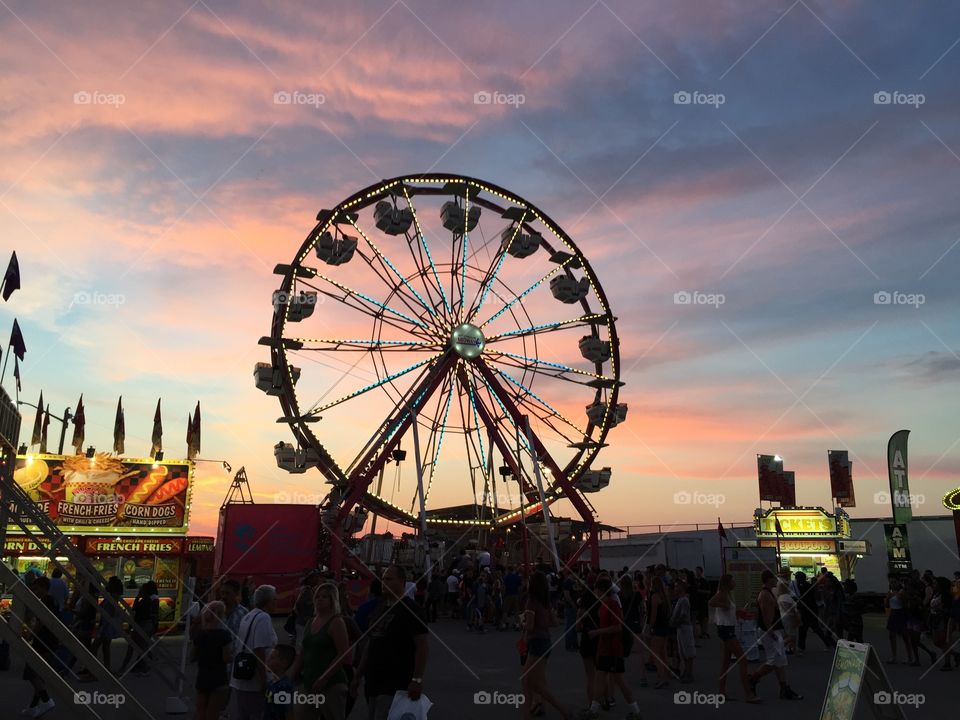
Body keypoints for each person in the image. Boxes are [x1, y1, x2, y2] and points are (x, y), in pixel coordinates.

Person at [351, 565, 428, 720]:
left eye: (389, 579)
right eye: (383, 579)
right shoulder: (379, 609)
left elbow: (422, 646)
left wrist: (417, 680)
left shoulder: (411, 609)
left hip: (395, 684)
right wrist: (357, 676)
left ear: (402, 581)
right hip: (373, 683)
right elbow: (370, 645)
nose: (383, 582)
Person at [290, 581, 351, 719]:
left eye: (325, 596)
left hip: (332, 684)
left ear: (332, 600)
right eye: (317, 596)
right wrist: (291, 674)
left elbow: (343, 653)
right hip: (309, 682)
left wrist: (325, 677)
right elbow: (303, 652)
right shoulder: (310, 622)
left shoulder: (336, 622)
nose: (320, 599)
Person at [584, 575, 640, 720]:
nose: (595, 592)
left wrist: (597, 632)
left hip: (613, 649)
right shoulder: (604, 605)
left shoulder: (612, 604)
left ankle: (636, 711)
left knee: (619, 680)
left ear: (601, 590)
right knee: (600, 678)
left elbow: (617, 627)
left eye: (596, 589)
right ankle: (593, 710)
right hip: (605, 648)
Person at [518, 571, 571, 720]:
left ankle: (563, 709)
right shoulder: (545, 601)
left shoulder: (531, 601)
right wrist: (542, 622)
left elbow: (529, 626)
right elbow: (554, 622)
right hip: (546, 641)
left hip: (536, 642)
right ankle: (529, 712)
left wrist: (521, 622)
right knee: (532, 681)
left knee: (532, 682)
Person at [747, 570, 802, 700]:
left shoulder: (769, 592)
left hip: (772, 630)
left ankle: (784, 688)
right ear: (768, 579)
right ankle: (753, 679)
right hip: (770, 631)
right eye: (774, 578)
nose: (777, 581)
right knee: (774, 659)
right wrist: (771, 632)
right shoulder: (765, 594)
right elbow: (767, 616)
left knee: (780, 660)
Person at [229, 584, 278, 720]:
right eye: (275, 600)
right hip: (254, 679)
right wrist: (264, 680)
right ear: (268, 601)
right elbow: (259, 649)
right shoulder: (264, 618)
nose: (277, 603)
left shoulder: (249, 615)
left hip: (241, 676)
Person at [708, 574, 758, 703]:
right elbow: (711, 602)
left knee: (726, 662)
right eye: (733, 581)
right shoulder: (723, 594)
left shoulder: (727, 594)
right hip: (726, 630)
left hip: (727, 629)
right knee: (743, 660)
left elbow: (727, 610)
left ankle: (722, 691)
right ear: (727, 583)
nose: (735, 583)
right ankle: (748, 694)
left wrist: (738, 612)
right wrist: (723, 605)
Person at [20, 575, 58, 717]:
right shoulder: (52, 600)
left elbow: (42, 622)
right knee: (39, 675)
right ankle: (33, 707)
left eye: (36, 589)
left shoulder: (46, 601)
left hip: (44, 641)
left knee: (31, 672)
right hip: (50, 641)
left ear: (43, 588)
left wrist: (30, 634)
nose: (34, 592)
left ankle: (47, 700)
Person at [194, 600, 233, 720]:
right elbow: (226, 658)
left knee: (201, 711)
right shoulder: (224, 635)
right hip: (219, 676)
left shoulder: (199, 634)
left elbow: (193, 656)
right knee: (213, 711)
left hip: (202, 675)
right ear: (221, 615)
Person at [121, 580, 160, 676]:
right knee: (142, 647)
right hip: (144, 625)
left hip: (143, 625)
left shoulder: (148, 600)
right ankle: (139, 666)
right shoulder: (148, 599)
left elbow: (136, 612)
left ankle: (138, 666)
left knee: (138, 647)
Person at [89, 576, 124, 674]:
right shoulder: (114, 598)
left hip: (105, 627)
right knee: (105, 647)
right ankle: (106, 668)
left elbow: (107, 613)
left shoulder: (110, 598)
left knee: (95, 647)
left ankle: (95, 669)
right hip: (108, 627)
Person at [795, 572, 834, 653]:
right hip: (811, 611)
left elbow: (804, 599)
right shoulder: (807, 585)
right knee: (815, 630)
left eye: (797, 578)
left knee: (803, 630)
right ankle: (829, 644)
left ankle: (801, 648)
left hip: (807, 611)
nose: (796, 580)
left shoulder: (802, 586)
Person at [647, 576, 672, 689]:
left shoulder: (655, 597)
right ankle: (666, 677)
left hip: (658, 628)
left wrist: (650, 627)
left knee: (655, 653)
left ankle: (661, 677)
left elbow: (653, 615)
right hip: (665, 626)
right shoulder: (665, 596)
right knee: (663, 653)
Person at [670, 580, 695, 682]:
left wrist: (674, 623)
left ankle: (689, 673)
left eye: (676, 587)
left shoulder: (684, 600)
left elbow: (683, 615)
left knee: (688, 652)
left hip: (684, 628)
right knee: (683, 652)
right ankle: (686, 671)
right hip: (680, 628)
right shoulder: (680, 599)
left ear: (681, 588)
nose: (675, 589)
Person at [264, 644, 296, 720]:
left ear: (283, 663)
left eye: (272, 658)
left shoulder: (284, 687)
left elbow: (288, 713)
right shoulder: (271, 683)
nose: (268, 660)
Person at [885, 576, 911, 664]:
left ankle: (909, 656)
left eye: (894, 582)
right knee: (891, 636)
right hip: (893, 613)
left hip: (900, 613)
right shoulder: (890, 592)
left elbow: (905, 604)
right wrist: (888, 598)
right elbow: (887, 605)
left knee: (904, 636)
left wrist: (900, 597)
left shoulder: (901, 592)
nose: (892, 584)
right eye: (891, 582)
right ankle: (893, 656)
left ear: (898, 582)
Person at [294, 571, 321, 648]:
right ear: (310, 579)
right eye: (316, 578)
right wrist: (305, 615)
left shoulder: (308, 589)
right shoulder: (307, 590)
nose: (317, 580)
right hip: (303, 622)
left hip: (303, 621)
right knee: (301, 644)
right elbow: (299, 603)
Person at [220, 579, 249, 643]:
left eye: (227, 593)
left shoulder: (244, 613)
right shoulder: (214, 609)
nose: (223, 596)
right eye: (222, 593)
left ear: (236, 594)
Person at [561, 569, 579, 651]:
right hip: (570, 606)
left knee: (573, 625)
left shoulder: (574, 582)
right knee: (570, 625)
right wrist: (573, 604)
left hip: (573, 606)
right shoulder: (567, 582)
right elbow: (567, 595)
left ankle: (574, 643)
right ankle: (569, 644)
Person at [692, 567, 710, 639]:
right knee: (698, 619)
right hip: (696, 603)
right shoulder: (694, 581)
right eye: (696, 571)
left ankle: (704, 632)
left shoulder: (704, 581)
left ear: (701, 572)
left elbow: (708, 591)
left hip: (703, 602)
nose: (697, 572)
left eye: (698, 571)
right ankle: (699, 633)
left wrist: (699, 591)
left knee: (704, 618)